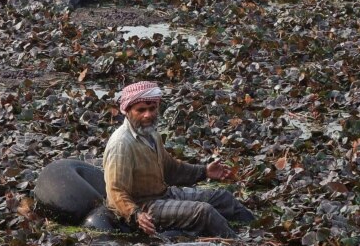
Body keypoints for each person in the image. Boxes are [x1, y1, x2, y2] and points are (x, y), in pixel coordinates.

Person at [103, 81, 255, 238]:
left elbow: (171, 169)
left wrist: (204, 171)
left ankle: (258, 232)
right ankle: (239, 244)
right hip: (144, 206)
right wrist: (135, 214)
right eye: (141, 110)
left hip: (163, 194)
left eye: (152, 109)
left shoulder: (151, 133)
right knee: (203, 211)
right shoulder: (121, 144)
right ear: (127, 111)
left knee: (224, 198)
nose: (147, 115)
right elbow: (116, 191)